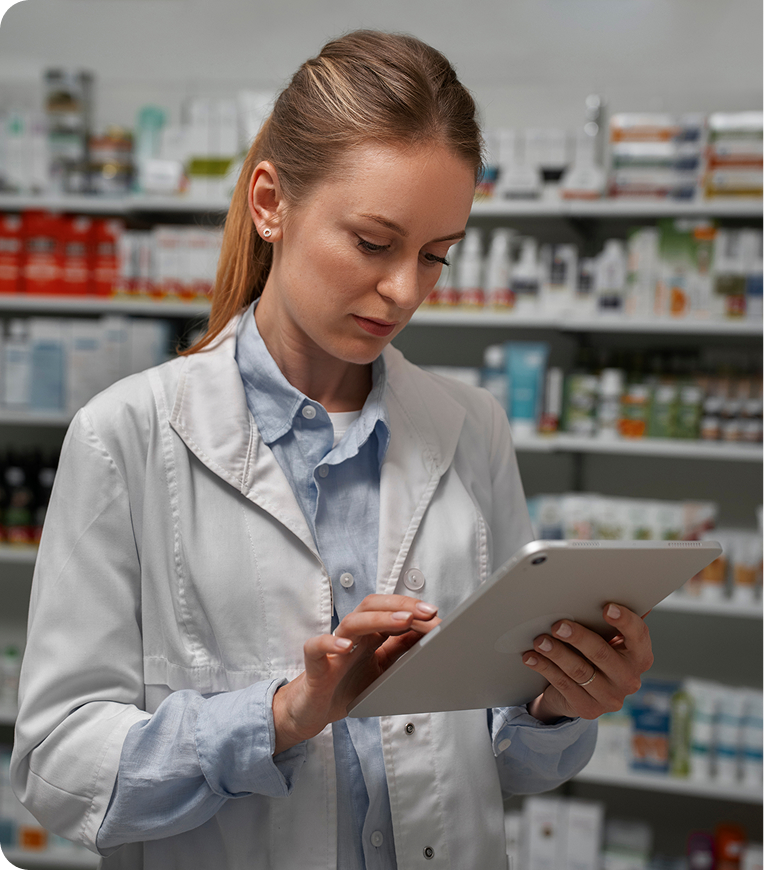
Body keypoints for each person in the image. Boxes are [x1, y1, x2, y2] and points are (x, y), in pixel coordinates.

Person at [11, 30, 653, 870]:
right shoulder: (124, 436)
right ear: (270, 202)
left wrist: (559, 704)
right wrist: (282, 715)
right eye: (373, 243)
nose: (404, 292)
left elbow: (503, 758)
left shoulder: (472, 428)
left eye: (435, 257)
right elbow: (59, 769)